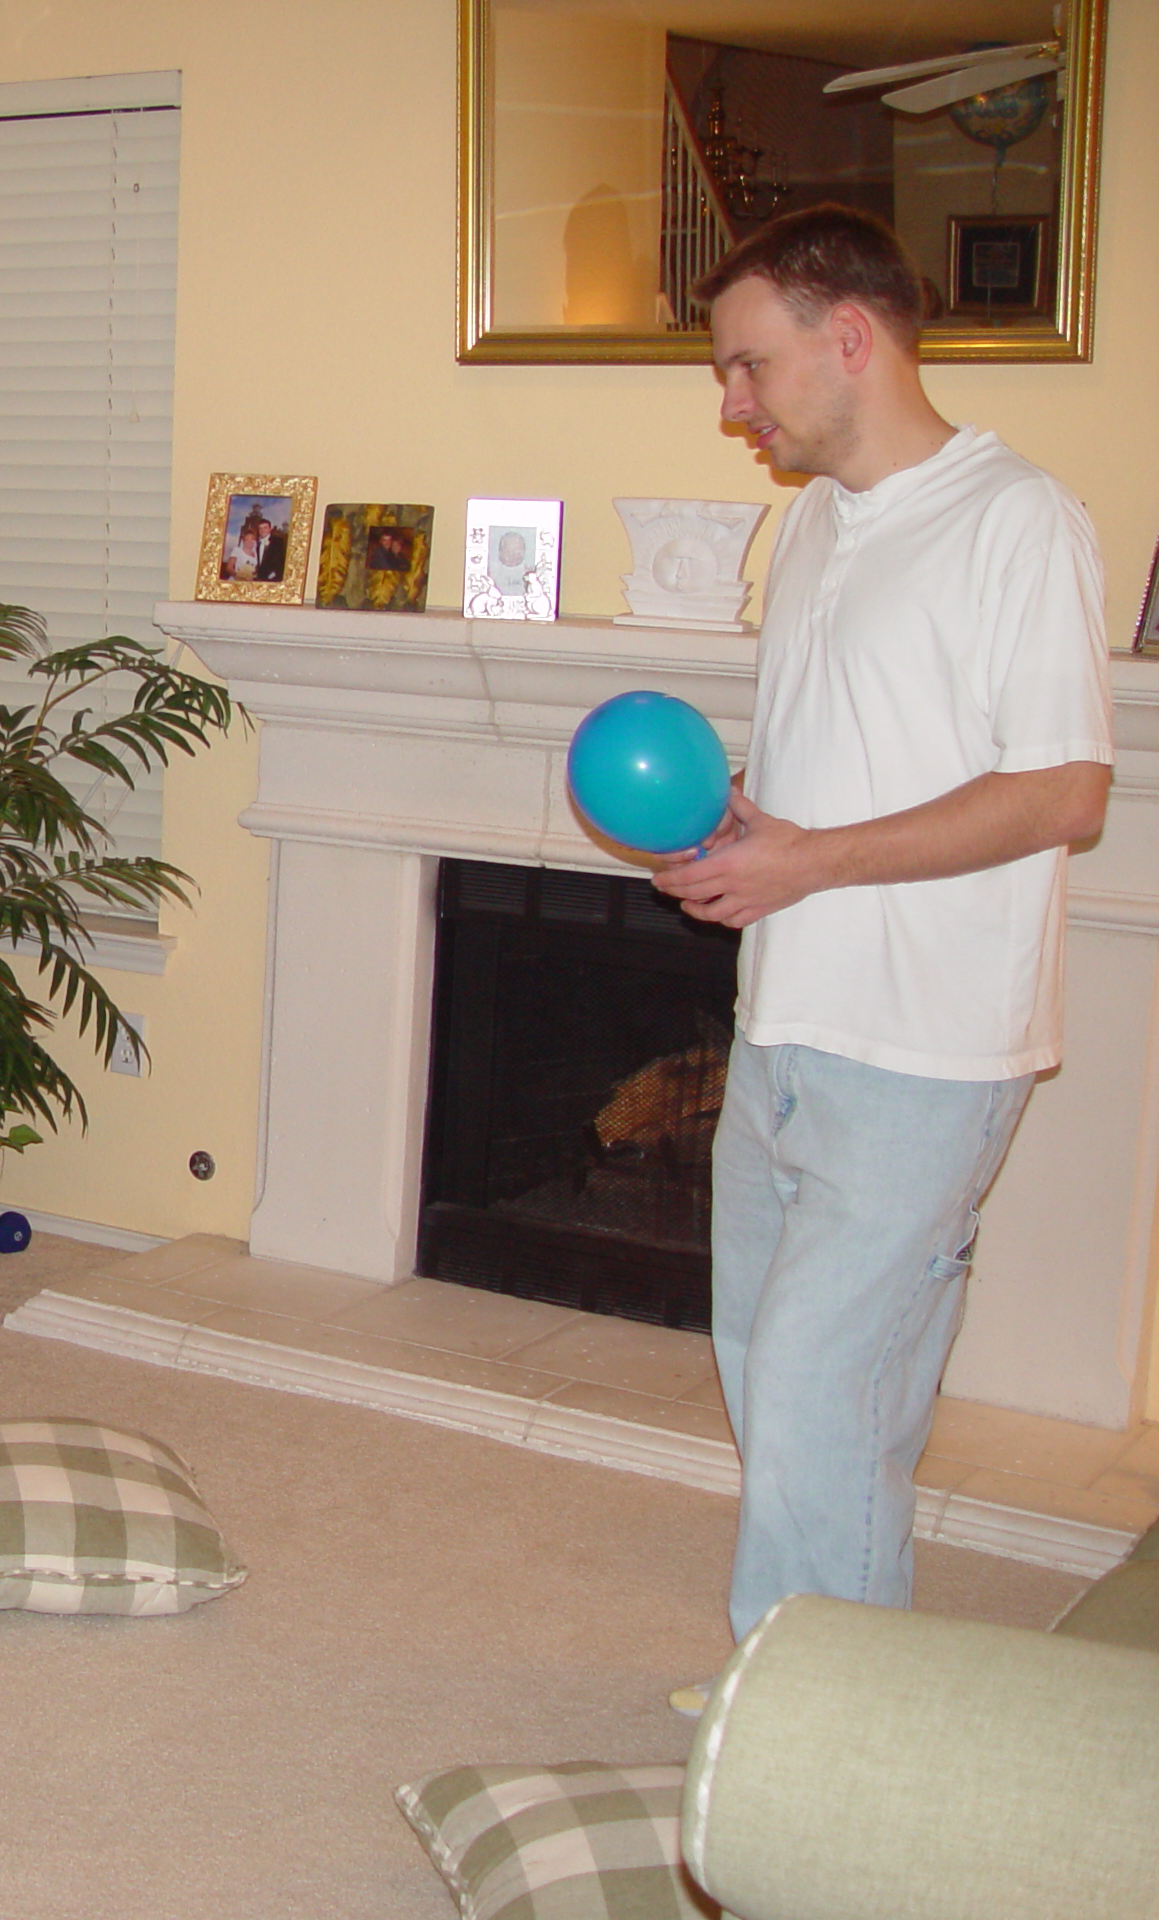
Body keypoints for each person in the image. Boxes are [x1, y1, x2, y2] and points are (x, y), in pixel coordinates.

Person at [652, 204, 1111, 1694]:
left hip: (925, 1048)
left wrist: (812, 860)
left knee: (814, 1395)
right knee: (781, 1382)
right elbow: (838, 775)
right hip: (787, 1019)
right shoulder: (817, 527)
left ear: (850, 336)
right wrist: (738, 839)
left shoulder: (1018, 520)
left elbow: (1063, 791)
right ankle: (835, 1688)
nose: (733, 405)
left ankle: (809, 1735)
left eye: (748, 367)